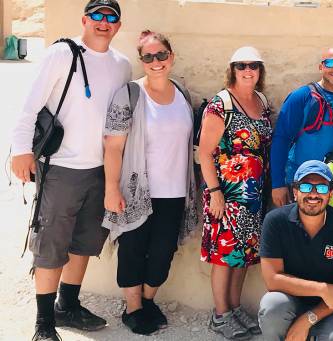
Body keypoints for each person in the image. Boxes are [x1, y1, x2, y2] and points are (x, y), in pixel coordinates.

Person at [10, 1, 131, 340]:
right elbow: (29, 105)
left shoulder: (122, 65)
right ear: (85, 20)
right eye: (97, 16)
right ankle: (44, 324)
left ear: (118, 26)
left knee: (84, 242)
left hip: (100, 171)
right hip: (61, 168)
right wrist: (21, 151)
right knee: (51, 244)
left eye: (111, 18)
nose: (103, 22)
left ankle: (69, 305)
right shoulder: (61, 54)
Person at [102, 30, 198, 335]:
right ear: (142, 61)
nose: (156, 61)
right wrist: (111, 187)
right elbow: (113, 147)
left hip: (174, 192)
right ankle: (132, 309)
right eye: (149, 57)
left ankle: (147, 300)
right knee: (132, 248)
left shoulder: (182, 94)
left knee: (163, 252)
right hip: (136, 191)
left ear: (171, 57)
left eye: (161, 55)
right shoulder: (129, 94)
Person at [197, 46, 272, 340]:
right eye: (241, 65)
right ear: (233, 69)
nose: (248, 70)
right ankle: (220, 315)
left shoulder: (262, 101)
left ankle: (235, 307)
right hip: (226, 195)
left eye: (254, 65)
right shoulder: (220, 105)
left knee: (244, 255)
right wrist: (215, 192)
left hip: (252, 196)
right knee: (224, 255)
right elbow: (204, 154)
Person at [258, 160, 333, 341]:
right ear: (295, 192)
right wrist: (322, 289)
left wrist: (307, 320)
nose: (313, 194)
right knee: (272, 306)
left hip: (330, 306)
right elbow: (272, 280)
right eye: (306, 187)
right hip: (290, 300)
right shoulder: (275, 221)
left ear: (330, 194)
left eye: (321, 188)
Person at [270, 47, 333, 207]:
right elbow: (281, 139)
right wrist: (277, 184)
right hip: (302, 188)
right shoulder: (302, 97)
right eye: (330, 63)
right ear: (320, 67)